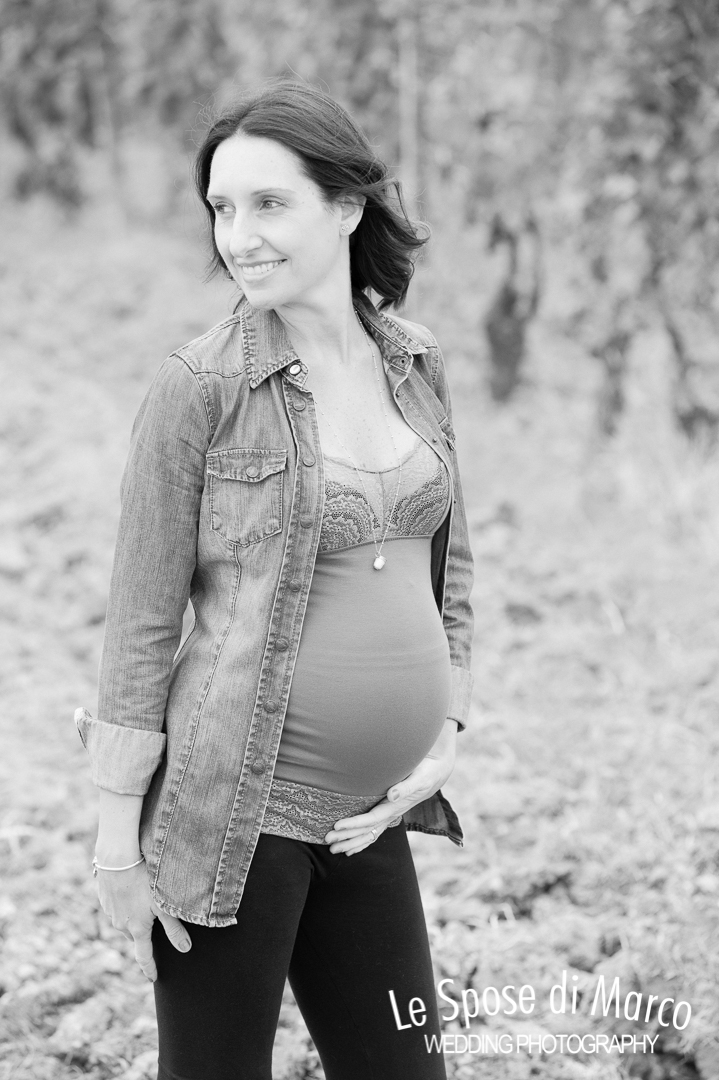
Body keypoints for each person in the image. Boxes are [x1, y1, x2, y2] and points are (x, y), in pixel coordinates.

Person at [75, 81, 474, 1080]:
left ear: (345, 207)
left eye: (267, 203)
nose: (238, 236)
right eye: (221, 207)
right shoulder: (201, 386)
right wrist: (117, 845)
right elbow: (140, 621)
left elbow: (449, 563)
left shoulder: (414, 363)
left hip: (369, 817)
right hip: (232, 818)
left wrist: (447, 726)